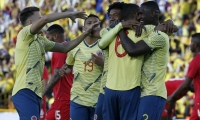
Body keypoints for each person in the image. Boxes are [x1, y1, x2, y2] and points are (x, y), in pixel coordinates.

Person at [11, 6, 100, 120]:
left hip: (35, 93)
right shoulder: (24, 34)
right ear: (30, 22)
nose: (43, 20)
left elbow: (65, 47)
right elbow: (46, 19)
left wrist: (85, 34)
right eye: (40, 18)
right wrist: (68, 14)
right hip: (24, 91)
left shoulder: (41, 40)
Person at [98, 2, 178, 120]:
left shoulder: (153, 32)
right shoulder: (143, 30)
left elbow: (132, 49)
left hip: (152, 92)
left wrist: (119, 28)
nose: (139, 17)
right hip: (140, 91)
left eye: (141, 14)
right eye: (138, 14)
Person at [59, 14, 104, 120]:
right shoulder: (74, 45)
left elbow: (114, 69)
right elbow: (69, 66)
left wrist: (102, 63)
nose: (92, 26)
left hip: (99, 99)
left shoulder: (105, 45)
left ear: (100, 28)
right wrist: (65, 70)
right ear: (84, 28)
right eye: (89, 23)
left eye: (95, 23)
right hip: (78, 98)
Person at [42, 24, 74, 120]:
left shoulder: (59, 51)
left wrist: (42, 93)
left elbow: (56, 75)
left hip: (63, 97)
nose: (46, 40)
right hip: (60, 97)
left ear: (55, 36)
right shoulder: (66, 47)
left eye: (48, 37)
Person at [167, 33, 200, 120]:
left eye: (191, 43)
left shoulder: (196, 61)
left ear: (195, 45)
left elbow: (186, 84)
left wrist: (172, 97)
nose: (190, 45)